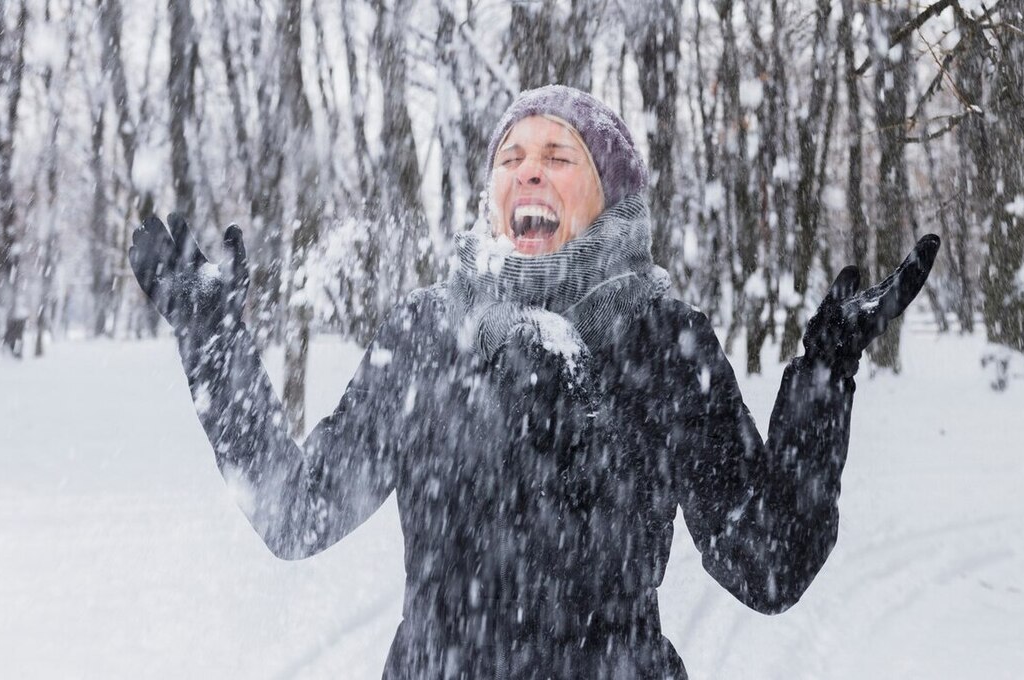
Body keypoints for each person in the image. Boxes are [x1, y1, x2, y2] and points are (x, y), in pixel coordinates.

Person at [129, 85, 939, 679]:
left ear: (608, 193)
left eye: (559, 157)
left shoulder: (659, 338)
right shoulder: (428, 333)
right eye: (511, 158)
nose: (529, 174)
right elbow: (294, 513)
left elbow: (769, 565)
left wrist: (828, 368)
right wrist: (212, 338)